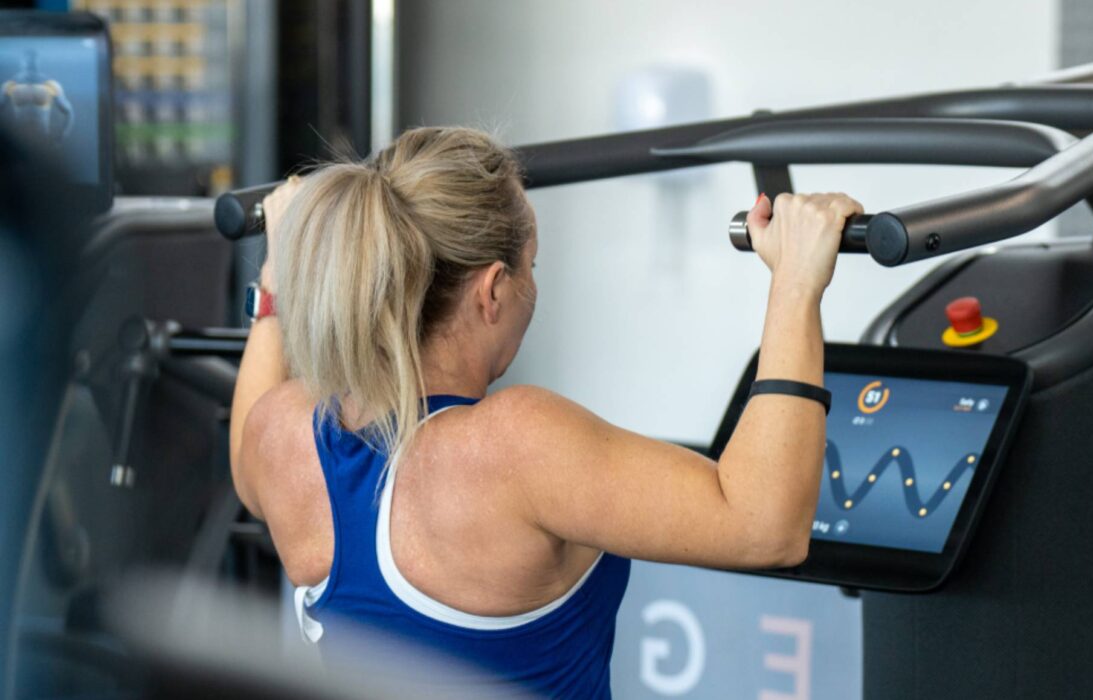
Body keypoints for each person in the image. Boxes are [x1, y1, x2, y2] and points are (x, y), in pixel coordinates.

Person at [229, 126, 862, 698]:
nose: (535, 288)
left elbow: (243, 458)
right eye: (532, 268)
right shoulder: (515, 448)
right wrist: (797, 282)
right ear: (493, 290)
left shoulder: (283, 434)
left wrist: (278, 278)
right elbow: (765, 526)